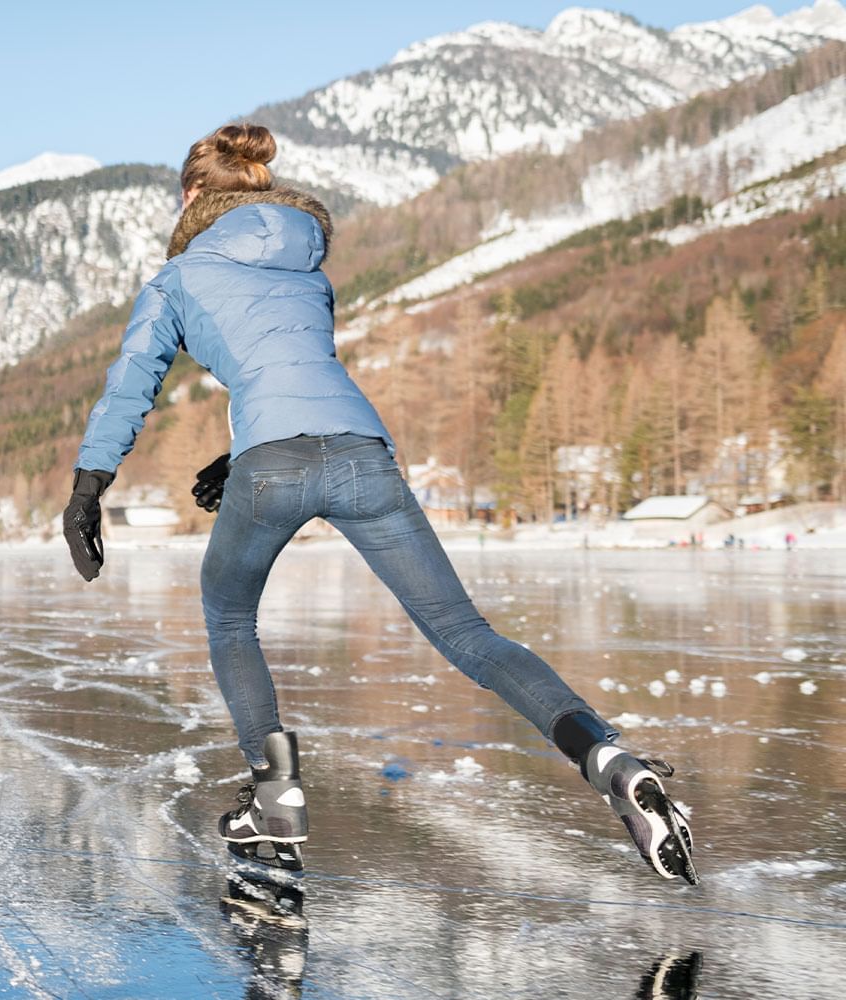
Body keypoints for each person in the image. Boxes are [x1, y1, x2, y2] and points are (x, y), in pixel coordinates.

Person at [60, 124, 696, 884]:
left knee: (230, 619)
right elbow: (298, 367)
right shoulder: (307, 267)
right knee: (467, 633)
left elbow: (135, 379)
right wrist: (239, 454)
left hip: (275, 465)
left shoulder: (179, 277)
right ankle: (611, 760)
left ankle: (276, 796)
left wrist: (89, 485)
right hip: (363, 454)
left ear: (194, 194)